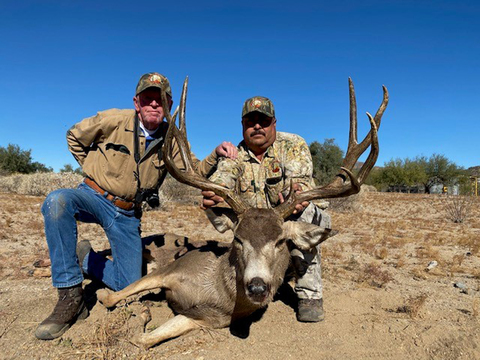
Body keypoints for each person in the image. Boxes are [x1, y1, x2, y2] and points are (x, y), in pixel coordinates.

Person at [35, 72, 236, 340]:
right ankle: (70, 296)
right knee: (57, 201)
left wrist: (216, 153)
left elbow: (194, 169)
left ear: (169, 105)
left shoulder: (172, 138)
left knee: (130, 286)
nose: (154, 104)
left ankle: (87, 259)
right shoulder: (113, 119)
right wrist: (93, 168)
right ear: (136, 102)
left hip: (127, 213)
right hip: (92, 197)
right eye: (148, 99)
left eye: (160, 100)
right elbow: (74, 136)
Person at [202, 96, 331, 323]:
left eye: (263, 121)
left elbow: (301, 182)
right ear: (243, 126)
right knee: (232, 221)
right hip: (255, 233)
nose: (257, 126)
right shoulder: (235, 155)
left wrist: (298, 194)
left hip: (284, 225)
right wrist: (215, 192)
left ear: (274, 123)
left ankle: (309, 294)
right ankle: (259, 276)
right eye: (250, 122)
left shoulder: (292, 145)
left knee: (307, 211)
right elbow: (223, 178)